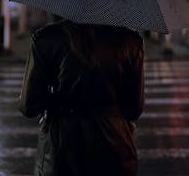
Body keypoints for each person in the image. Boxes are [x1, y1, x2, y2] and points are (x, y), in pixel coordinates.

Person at [19, 20, 145, 176]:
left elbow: (28, 106)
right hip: (114, 144)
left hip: (60, 147)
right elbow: (133, 110)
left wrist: (53, 99)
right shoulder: (130, 42)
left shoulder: (45, 39)